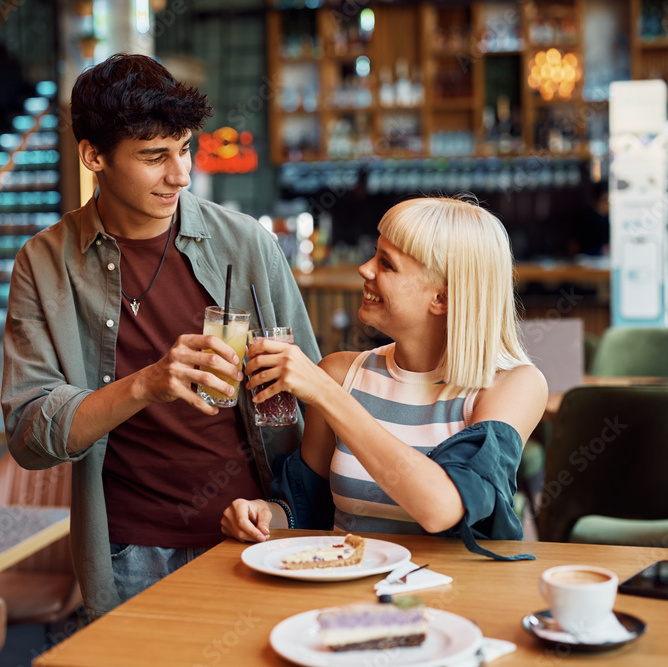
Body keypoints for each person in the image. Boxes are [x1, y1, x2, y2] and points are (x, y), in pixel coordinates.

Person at [1, 53, 319, 618]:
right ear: (93, 156)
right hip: (128, 551)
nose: (181, 174)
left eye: (185, 148)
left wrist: (286, 512)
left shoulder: (246, 244)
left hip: (254, 537)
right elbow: (29, 435)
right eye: (154, 157)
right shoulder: (46, 263)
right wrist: (146, 384)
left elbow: (317, 404)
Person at [222, 196, 547, 559]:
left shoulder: (513, 385)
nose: (365, 269)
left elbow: (443, 507)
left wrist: (327, 395)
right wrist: (264, 514)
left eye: (386, 264)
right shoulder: (341, 373)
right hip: (348, 595)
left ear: (441, 297)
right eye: (374, 253)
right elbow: (306, 510)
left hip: (455, 601)